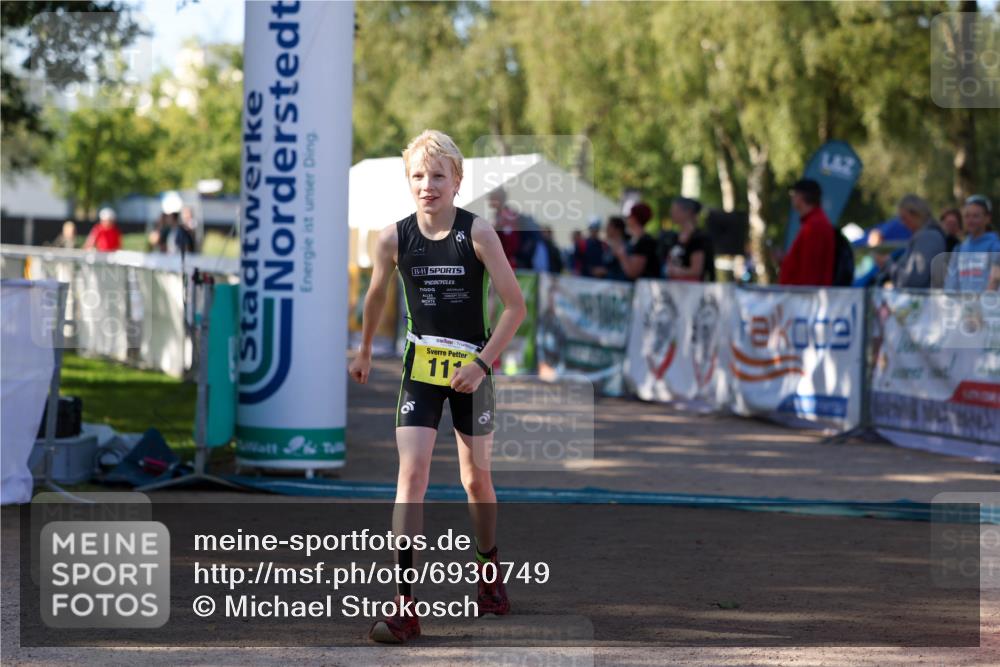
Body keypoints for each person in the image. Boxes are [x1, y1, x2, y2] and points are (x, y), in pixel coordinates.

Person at [348, 130, 526, 644]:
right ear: (409, 182)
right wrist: (363, 350)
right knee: (413, 475)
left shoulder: (479, 234)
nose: (428, 185)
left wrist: (482, 365)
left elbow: (515, 308)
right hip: (421, 370)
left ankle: (489, 572)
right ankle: (405, 607)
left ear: (457, 181)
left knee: (476, 482)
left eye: (438, 176)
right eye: (418, 176)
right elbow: (376, 296)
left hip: (472, 370)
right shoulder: (392, 237)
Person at [884, 194, 948, 288]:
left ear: (916, 214)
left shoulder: (928, 237)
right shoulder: (927, 235)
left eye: (904, 218)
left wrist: (888, 264)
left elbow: (914, 280)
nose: (903, 223)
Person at [778, 179, 834, 286]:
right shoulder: (814, 222)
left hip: (804, 297)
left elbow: (810, 269)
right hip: (804, 295)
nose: (792, 197)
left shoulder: (815, 225)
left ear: (802, 196)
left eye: (794, 194)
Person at [944, 195, 1000, 292]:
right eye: (967, 216)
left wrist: (985, 303)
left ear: (987, 218)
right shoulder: (959, 248)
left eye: (975, 216)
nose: (970, 220)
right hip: (962, 306)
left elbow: (995, 280)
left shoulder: (995, 247)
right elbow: (951, 283)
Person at [664, 197, 716, 282]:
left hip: (691, 288)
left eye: (675, 210)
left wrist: (676, 271)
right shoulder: (674, 237)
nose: (671, 213)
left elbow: (696, 271)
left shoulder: (698, 238)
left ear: (687, 212)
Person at [609, 201, 660, 280]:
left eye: (630, 215)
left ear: (635, 218)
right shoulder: (632, 239)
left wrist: (621, 256)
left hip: (643, 289)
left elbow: (633, 272)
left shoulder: (646, 241)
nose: (627, 218)